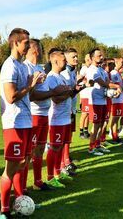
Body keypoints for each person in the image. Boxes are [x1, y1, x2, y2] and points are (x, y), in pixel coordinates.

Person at [0, 28, 42, 218]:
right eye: (25, 42)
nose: (28, 45)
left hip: (25, 120)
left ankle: (20, 199)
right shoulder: (10, 66)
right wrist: (30, 86)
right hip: (13, 122)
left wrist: (35, 84)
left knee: (23, 162)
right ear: (15, 43)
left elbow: (28, 95)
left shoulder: (23, 66)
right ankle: (3, 210)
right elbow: (10, 97)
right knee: (11, 167)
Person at [23, 39, 64, 191]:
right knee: (29, 152)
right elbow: (31, 95)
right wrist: (54, 92)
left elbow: (44, 90)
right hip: (33, 116)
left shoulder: (39, 68)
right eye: (40, 47)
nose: (42, 51)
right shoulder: (26, 67)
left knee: (40, 149)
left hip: (44, 115)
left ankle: (38, 181)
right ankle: (23, 187)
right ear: (36, 50)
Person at [45, 50, 73, 188]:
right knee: (54, 147)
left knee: (60, 146)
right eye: (63, 59)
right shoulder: (51, 78)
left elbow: (68, 91)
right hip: (56, 119)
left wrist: (67, 91)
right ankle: (51, 177)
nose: (65, 62)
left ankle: (57, 173)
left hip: (65, 118)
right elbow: (55, 99)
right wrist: (67, 92)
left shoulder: (61, 77)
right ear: (55, 61)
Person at [86, 49, 121, 155]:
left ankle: (97, 144)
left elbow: (107, 82)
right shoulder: (92, 70)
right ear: (92, 58)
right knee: (96, 125)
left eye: (101, 55)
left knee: (102, 124)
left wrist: (111, 90)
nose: (101, 57)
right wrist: (117, 86)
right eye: (99, 56)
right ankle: (91, 148)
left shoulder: (101, 70)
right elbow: (103, 83)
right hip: (95, 101)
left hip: (103, 99)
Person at [61, 48, 84, 176]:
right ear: (66, 58)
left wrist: (78, 85)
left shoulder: (72, 71)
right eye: (73, 57)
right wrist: (78, 88)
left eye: (76, 56)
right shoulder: (64, 72)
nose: (76, 59)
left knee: (68, 137)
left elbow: (72, 90)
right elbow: (67, 92)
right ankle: (63, 164)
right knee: (64, 138)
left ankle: (66, 161)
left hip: (71, 108)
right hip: (64, 110)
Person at [109, 58, 123, 144]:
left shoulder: (118, 73)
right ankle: (114, 136)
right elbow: (115, 86)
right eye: (121, 62)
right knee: (115, 118)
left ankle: (115, 135)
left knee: (118, 117)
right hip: (116, 99)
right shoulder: (113, 73)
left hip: (121, 99)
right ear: (116, 63)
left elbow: (121, 86)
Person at [78, 53, 91, 139]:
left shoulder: (90, 69)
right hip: (85, 95)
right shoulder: (84, 69)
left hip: (89, 95)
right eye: (88, 59)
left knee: (88, 114)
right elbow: (79, 81)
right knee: (84, 114)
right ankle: (81, 131)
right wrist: (84, 82)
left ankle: (86, 130)